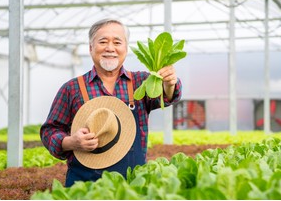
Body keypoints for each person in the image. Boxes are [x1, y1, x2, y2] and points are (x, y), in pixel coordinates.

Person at [40, 18, 182, 187]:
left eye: (117, 42)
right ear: (91, 48)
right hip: (84, 184)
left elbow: (167, 97)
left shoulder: (141, 82)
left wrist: (169, 83)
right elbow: (50, 131)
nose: (110, 48)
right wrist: (71, 142)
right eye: (103, 41)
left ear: (126, 48)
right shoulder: (72, 88)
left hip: (132, 184)